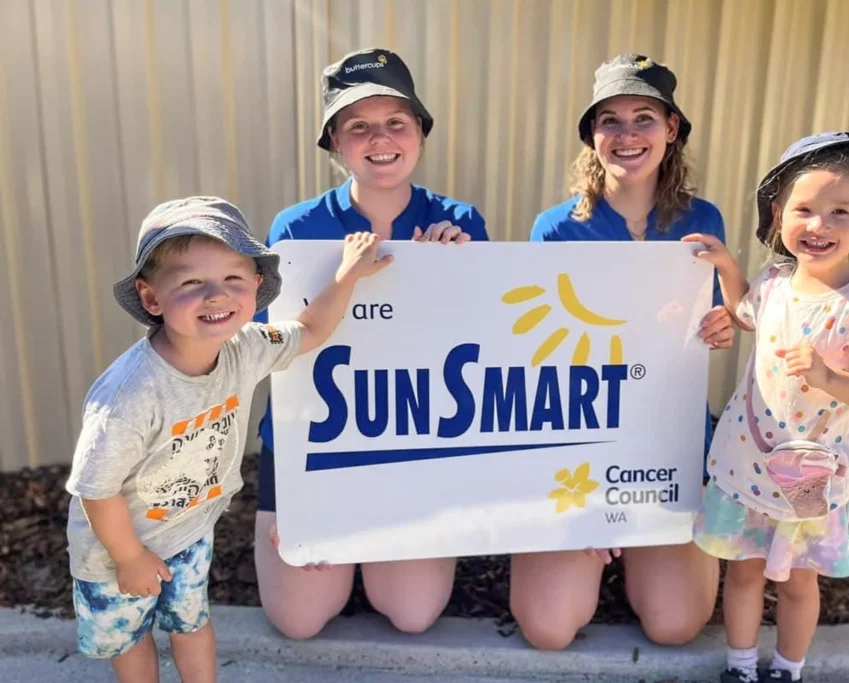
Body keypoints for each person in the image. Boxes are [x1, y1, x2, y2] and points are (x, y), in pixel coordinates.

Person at [65, 196, 390, 682]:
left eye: (233, 280)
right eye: (192, 282)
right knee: (131, 640)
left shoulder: (248, 349)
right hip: (115, 548)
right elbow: (97, 488)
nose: (216, 295)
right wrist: (130, 558)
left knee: (191, 622)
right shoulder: (129, 395)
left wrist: (347, 275)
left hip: (189, 531)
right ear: (151, 297)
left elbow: (309, 328)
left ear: (256, 289)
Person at [253, 47, 488, 640]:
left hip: (413, 435)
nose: (379, 139)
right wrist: (301, 498)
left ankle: (377, 555)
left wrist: (455, 272)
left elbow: (487, 342)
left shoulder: (459, 223)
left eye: (395, 123)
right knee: (299, 620)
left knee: (412, 614)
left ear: (420, 134)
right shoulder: (296, 229)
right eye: (358, 126)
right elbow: (277, 347)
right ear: (334, 141)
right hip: (317, 442)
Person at [519, 54, 731, 650]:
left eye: (644, 117)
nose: (627, 134)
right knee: (549, 628)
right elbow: (540, 357)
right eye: (610, 119)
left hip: (669, 432)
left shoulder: (701, 220)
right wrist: (590, 500)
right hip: (579, 432)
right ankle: (595, 550)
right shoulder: (556, 229)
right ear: (592, 135)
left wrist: (720, 324)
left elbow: (709, 326)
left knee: (675, 624)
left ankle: (642, 551)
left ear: (672, 129)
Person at [685, 131, 849, 682]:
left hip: (810, 471)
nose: (819, 226)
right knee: (742, 573)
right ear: (779, 213)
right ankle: (740, 665)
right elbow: (746, 313)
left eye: (840, 212)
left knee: (797, 580)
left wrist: (830, 376)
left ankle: (788, 667)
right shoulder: (776, 281)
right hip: (748, 459)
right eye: (804, 210)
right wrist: (725, 268)